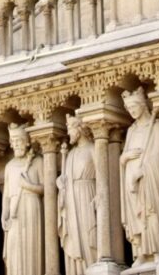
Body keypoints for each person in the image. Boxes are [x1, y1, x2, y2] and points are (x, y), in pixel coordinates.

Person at [119, 88, 159, 261]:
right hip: (130, 181)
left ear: (143, 105)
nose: (131, 111)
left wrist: (143, 171)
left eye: (134, 106)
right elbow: (124, 156)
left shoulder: (156, 126)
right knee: (135, 218)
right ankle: (140, 252)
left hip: (148, 178)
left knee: (151, 211)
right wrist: (124, 158)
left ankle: (156, 249)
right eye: (128, 108)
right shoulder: (131, 130)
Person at [2, 125, 44, 275]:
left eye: (20, 140)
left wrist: (28, 186)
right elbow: (6, 195)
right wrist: (3, 216)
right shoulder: (9, 166)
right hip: (14, 207)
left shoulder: (37, 161)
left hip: (31, 205)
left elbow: (45, 188)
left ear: (27, 142)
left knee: (29, 244)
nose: (17, 144)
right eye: (14, 141)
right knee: (14, 247)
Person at [59, 114, 98, 275]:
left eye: (71, 129)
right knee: (75, 235)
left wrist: (99, 196)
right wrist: (61, 184)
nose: (69, 134)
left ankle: (93, 264)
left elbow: (102, 175)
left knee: (89, 233)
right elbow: (66, 179)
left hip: (87, 195)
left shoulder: (93, 149)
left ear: (80, 129)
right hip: (72, 199)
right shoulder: (71, 154)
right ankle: (77, 270)